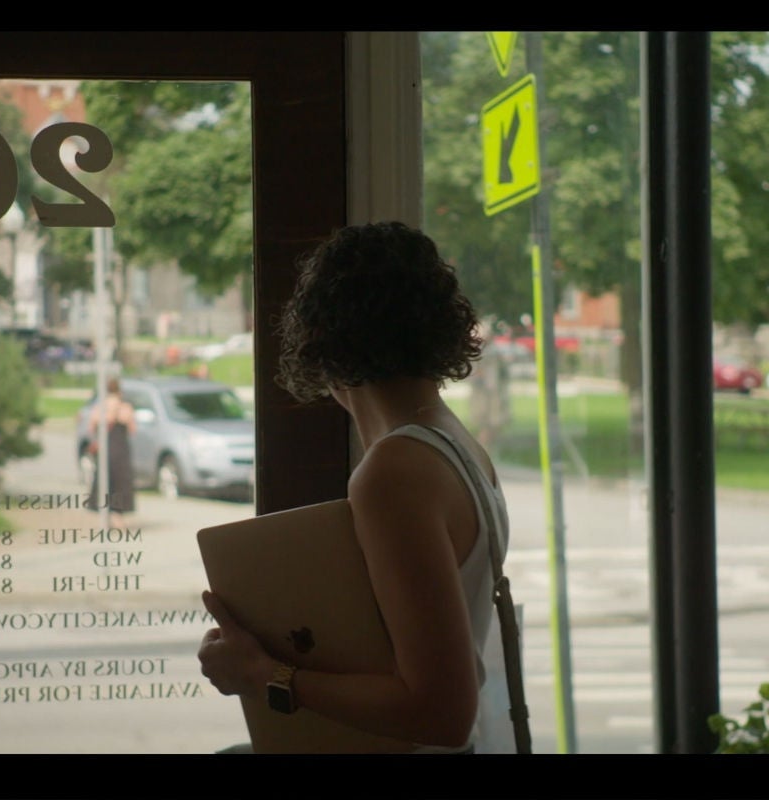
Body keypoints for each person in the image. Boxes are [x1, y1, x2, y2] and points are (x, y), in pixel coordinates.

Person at [197, 221, 511, 753]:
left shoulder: (396, 471)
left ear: (320, 337)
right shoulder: (456, 443)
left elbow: (441, 713)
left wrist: (265, 676)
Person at [87, 376, 137, 527]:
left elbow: (91, 428)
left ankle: (104, 515)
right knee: (120, 482)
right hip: (120, 448)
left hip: (105, 449)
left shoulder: (100, 407)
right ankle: (118, 516)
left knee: (104, 480)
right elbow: (132, 430)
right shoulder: (125, 407)